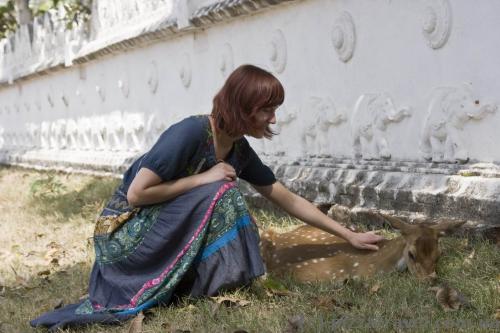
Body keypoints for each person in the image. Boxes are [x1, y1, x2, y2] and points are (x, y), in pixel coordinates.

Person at [31, 64, 383, 331]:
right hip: (123, 237)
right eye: (267, 109)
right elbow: (137, 195)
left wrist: (349, 234)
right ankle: (203, 283)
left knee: (221, 189)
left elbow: (285, 198)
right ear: (244, 107)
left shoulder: (238, 150)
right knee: (221, 190)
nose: (274, 117)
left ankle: (199, 283)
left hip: (159, 230)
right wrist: (205, 178)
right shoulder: (190, 132)